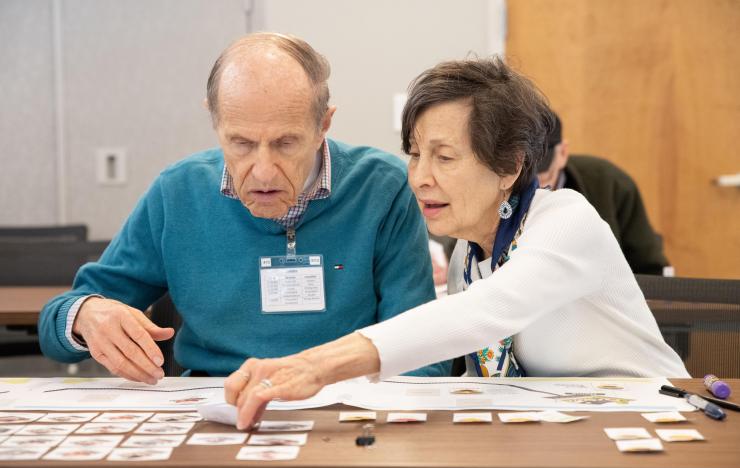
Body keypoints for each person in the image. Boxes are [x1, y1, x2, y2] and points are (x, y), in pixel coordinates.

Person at [225, 57, 689, 430]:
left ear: (509, 166)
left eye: (444, 157)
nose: (421, 178)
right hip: (560, 430)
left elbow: (484, 314)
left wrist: (314, 366)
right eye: (414, 154)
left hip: (652, 423)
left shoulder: (567, 221)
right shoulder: (469, 251)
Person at [38, 33, 450, 382]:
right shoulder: (177, 192)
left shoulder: (381, 187)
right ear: (214, 121)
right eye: (242, 144)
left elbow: (419, 349)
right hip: (214, 405)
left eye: (286, 143)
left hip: (344, 405)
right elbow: (55, 325)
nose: (265, 172)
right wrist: (84, 315)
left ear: (324, 123)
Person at [536, 114, 669, 275]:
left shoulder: (610, 184)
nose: (533, 191)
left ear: (563, 153)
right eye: (522, 182)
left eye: (542, 179)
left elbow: (650, 267)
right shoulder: (500, 187)